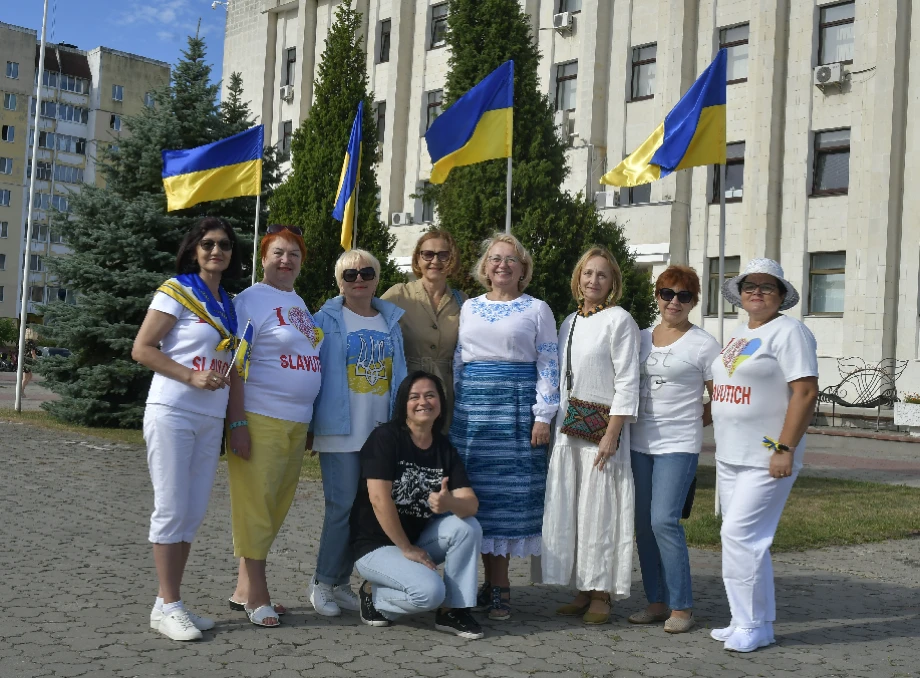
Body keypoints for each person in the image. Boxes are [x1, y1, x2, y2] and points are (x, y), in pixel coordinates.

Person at [132, 217, 245, 641]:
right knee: (171, 508)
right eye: (209, 243)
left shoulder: (228, 303)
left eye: (225, 245)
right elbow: (141, 349)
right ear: (194, 248)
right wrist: (189, 376)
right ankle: (170, 603)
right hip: (173, 409)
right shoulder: (175, 290)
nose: (217, 251)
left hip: (209, 417)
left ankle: (167, 603)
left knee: (193, 513)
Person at [710, 258, 818, 652]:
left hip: (767, 455)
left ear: (781, 295)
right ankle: (750, 622)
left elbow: (805, 393)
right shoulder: (739, 334)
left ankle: (752, 624)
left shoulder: (790, 333)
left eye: (766, 286)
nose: (756, 291)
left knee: (740, 535)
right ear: (739, 294)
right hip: (731, 455)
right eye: (749, 285)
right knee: (745, 540)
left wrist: (785, 448)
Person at [450, 233, 559, 621]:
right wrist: (457, 405)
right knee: (473, 496)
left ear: (523, 269)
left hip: (516, 412)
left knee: (507, 498)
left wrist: (543, 415)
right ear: (485, 267)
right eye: (496, 258)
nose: (503, 265)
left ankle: (501, 587)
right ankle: (478, 583)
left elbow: (549, 363)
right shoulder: (470, 308)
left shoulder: (537, 309)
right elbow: (460, 360)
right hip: (472, 414)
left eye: (512, 260)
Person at [224, 225, 323, 627]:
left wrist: (312, 419)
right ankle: (258, 596)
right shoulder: (251, 300)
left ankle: (243, 590)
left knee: (275, 506)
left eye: (293, 254)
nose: (286, 260)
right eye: (278, 253)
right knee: (255, 506)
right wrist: (238, 422)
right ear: (263, 258)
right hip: (261, 416)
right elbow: (236, 364)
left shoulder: (299, 304)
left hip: (296, 422)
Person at [542, 246, 640, 625]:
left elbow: (628, 380)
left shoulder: (620, 320)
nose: (593, 280)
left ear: (612, 281)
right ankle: (582, 588)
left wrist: (613, 433)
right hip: (568, 431)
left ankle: (602, 593)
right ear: (578, 278)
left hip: (602, 433)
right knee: (575, 509)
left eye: (601, 274)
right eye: (587, 273)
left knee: (601, 511)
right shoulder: (569, 321)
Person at [308, 248, 408, 617]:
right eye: (350, 275)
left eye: (366, 273)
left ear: (377, 278)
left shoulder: (390, 321)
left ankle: (340, 582)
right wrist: (309, 426)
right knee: (341, 508)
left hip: (379, 432)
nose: (359, 280)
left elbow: (400, 376)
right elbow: (309, 372)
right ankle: (321, 581)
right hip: (340, 431)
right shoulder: (325, 319)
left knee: (365, 512)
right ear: (339, 282)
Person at [352, 371, 484, 639]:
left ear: (440, 403)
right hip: (375, 546)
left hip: (415, 544)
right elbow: (379, 499)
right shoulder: (385, 438)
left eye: (430, 395)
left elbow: (471, 505)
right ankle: (372, 593)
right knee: (430, 592)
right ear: (404, 405)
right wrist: (406, 548)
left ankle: (452, 611)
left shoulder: (444, 448)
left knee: (467, 527)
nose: (423, 402)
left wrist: (449, 502)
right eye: (415, 397)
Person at [627, 266, 721, 633]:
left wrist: (696, 421)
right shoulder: (640, 337)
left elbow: (721, 396)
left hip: (678, 445)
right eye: (668, 293)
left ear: (694, 301)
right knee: (643, 526)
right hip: (638, 443)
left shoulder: (704, 344)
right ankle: (656, 602)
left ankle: (682, 607)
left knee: (663, 520)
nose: (674, 302)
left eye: (684, 296)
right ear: (657, 296)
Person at [381, 229, 466, 432]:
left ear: (451, 260)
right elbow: (366, 320)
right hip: (407, 387)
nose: (435, 261)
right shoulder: (398, 295)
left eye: (442, 255)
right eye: (428, 254)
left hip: (446, 392)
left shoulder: (463, 301)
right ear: (417, 259)